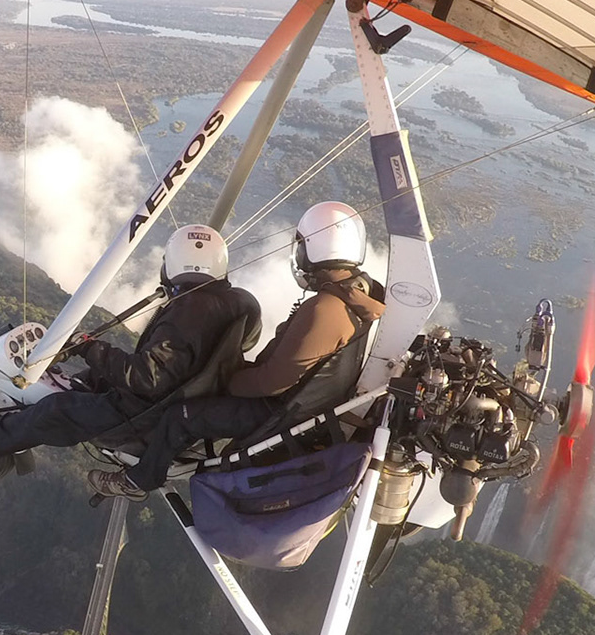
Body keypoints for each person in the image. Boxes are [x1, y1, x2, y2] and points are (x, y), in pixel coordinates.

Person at [88, 201, 382, 497]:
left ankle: (139, 481)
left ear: (310, 249)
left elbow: (272, 381)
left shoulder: (325, 309)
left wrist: (226, 380)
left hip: (276, 411)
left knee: (181, 415)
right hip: (299, 407)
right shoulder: (358, 296)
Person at [0, 225, 260, 460]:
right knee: (95, 378)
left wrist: (88, 346)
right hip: (181, 397)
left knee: (56, 409)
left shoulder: (189, 310)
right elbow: (244, 340)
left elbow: (146, 379)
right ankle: (54, 398)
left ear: (171, 265)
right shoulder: (240, 303)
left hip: (143, 419)